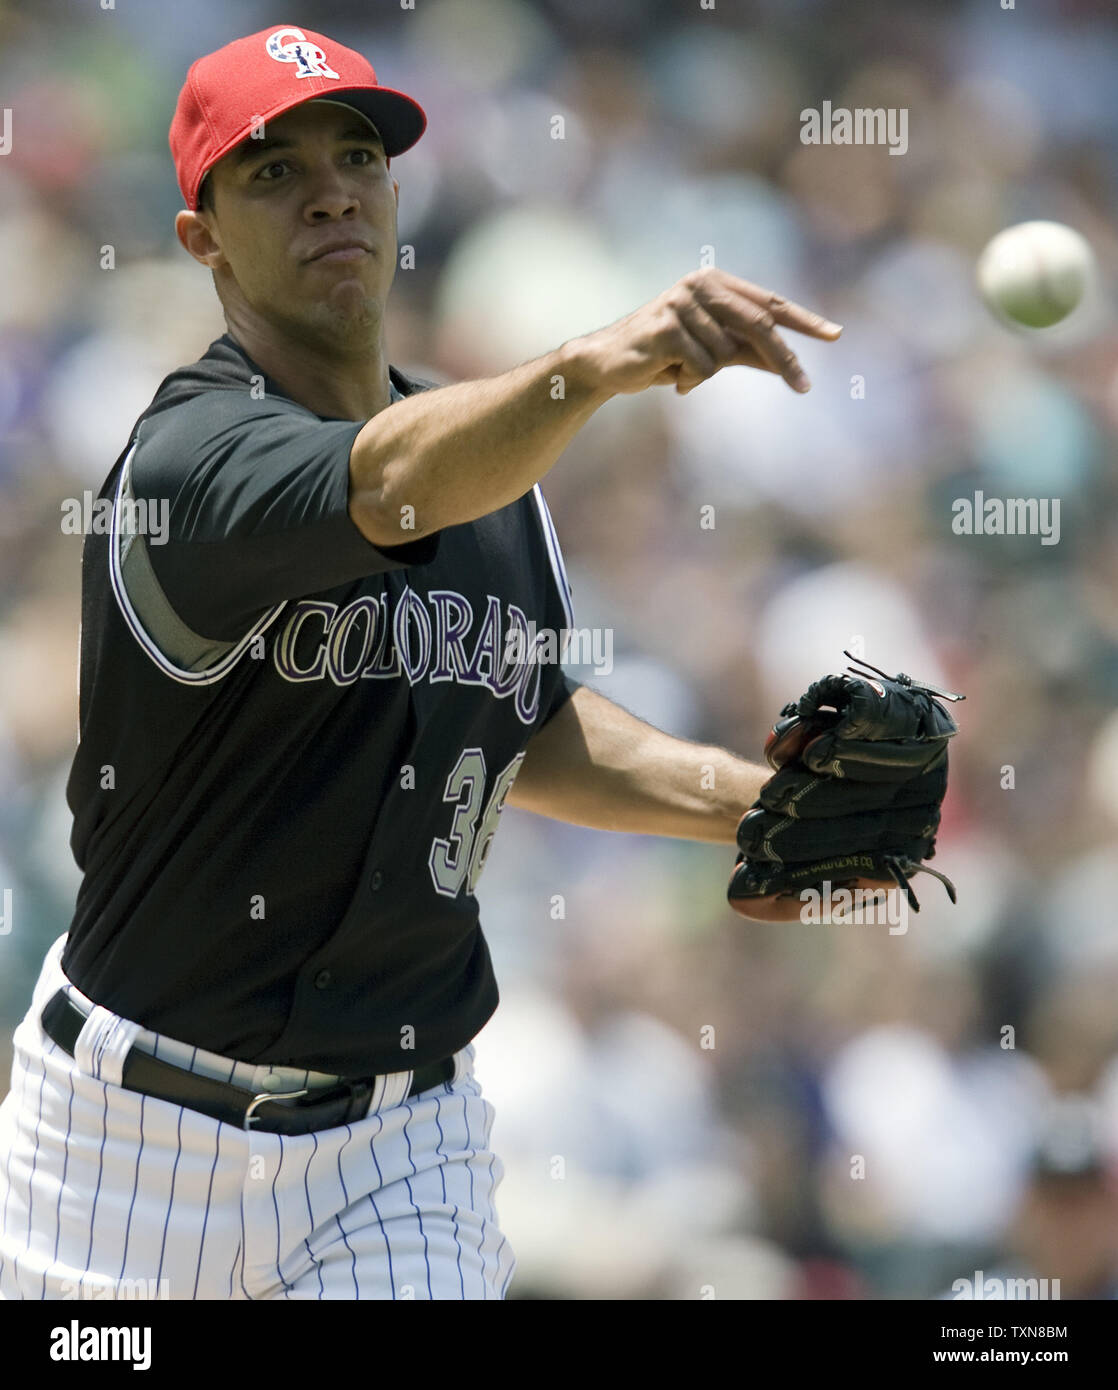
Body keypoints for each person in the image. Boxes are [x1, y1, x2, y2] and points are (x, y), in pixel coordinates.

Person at [0, 25, 841, 1300]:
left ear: (395, 197)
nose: (332, 186)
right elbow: (387, 483)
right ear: (201, 239)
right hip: (122, 1155)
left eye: (357, 156)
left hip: (396, 1149)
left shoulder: (495, 477)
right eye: (272, 171)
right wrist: (596, 365)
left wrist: (754, 805)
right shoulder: (186, 467)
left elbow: (523, 725)